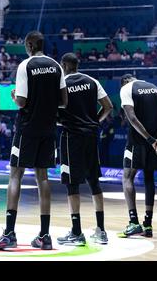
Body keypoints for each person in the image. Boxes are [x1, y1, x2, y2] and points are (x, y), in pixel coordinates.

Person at [0, 31, 68, 251]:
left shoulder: (26, 65)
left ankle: (9, 234)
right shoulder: (57, 66)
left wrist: (15, 97)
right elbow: (64, 102)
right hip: (48, 129)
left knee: (15, 175)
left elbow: (23, 102)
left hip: (27, 129)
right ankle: (45, 236)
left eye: (26, 45)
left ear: (31, 45)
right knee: (43, 178)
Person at [56, 53, 113, 246]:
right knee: (94, 182)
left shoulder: (61, 83)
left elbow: (54, 111)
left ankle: (77, 232)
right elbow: (108, 106)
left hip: (71, 137)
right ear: (77, 65)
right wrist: (94, 122)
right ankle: (101, 230)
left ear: (64, 65)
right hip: (90, 136)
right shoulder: (92, 81)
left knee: (72, 184)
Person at [118, 74, 157, 238]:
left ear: (125, 82)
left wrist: (149, 140)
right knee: (149, 178)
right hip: (155, 141)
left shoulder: (126, 88)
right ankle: (148, 225)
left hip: (137, 141)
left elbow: (131, 118)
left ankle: (133, 222)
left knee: (127, 177)